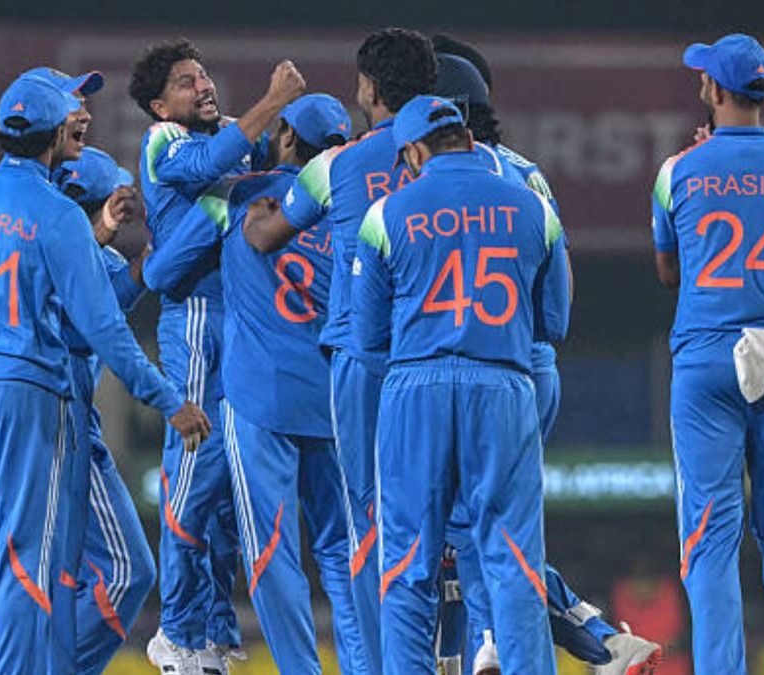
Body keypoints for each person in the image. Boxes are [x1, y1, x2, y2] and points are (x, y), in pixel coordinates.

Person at [0, 75, 209, 674]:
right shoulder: (55, 215)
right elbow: (104, 331)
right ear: (51, 134)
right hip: (32, 391)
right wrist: (166, 399)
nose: (84, 119)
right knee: (30, 562)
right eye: (72, 112)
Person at [430, 51, 662, 675]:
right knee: (498, 524)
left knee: (466, 525)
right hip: (532, 362)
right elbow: (558, 304)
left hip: (465, 367)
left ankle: (497, 639)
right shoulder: (528, 175)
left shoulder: (427, 179)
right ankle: (600, 641)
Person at [145, 94, 372, 675]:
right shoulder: (352, 202)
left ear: (289, 138)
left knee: (272, 553)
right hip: (334, 400)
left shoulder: (239, 193)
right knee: (344, 553)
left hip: (260, 402)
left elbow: (162, 273)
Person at [243, 28, 438, 675]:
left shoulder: (340, 164)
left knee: (364, 530)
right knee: (440, 523)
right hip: (436, 357)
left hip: (362, 362)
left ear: (371, 89)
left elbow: (266, 235)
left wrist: (258, 211)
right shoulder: (462, 156)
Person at [353, 95, 567, 675]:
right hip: (503, 384)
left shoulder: (386, 214)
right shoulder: (535, 208)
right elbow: (556, 323)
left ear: (415, 151)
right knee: (514, 559)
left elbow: (367, 335)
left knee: (406, 565)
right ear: (469, 140)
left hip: (413, 385)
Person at [128, 38, 305, 672]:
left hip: (246, 316)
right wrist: (273, 101)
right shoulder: (164, 141)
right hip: (198, 316)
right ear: (158, 105)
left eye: (203, 75)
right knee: (194, 473)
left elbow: (278, 161)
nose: (202, 86)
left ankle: (214, 632)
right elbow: (209, 168)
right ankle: (175, 629)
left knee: (233, 487)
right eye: (184, 81)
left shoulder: (234, 130)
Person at [652, 33, 764, 674]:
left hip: (706, 359)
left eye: (704, 77)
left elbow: (670, 271)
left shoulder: (678, 171)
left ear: (715, 91)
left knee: (709, 540)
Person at [57, 144, 159, 675]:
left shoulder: (99, 257)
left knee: (28, 582)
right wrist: (166, 397)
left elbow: (107, 294)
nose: (122, 210)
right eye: (111, 201)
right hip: (60, 427)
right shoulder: (53, 251)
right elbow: (84, 324)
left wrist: (141, 270)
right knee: (124, 571)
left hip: (41, 423)